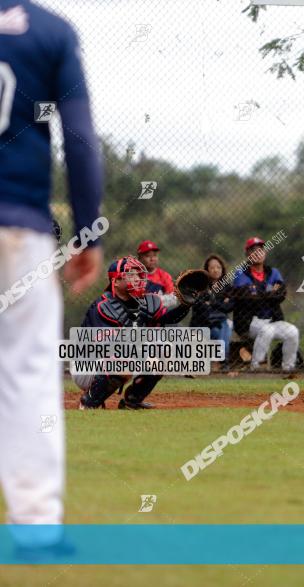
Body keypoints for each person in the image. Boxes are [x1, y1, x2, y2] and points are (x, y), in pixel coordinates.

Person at [0, 0, 103, 552]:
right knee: (29, 372)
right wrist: (88, 231)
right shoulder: (51, 30)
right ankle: (37, 530)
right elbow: (80, 140)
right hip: (19, 227)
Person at [73, 257, 191, 409]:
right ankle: (88, 402)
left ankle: (132, 400)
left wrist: (185, 305)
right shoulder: (102, 306)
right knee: (123, 361)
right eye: (130, 274)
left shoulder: (145, 302)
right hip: (87, 366)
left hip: (122, 359)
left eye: (138, 275)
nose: (137, 278)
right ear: (115, 281)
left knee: (165, 351)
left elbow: (167, 319)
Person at [231, 237, 300, 374]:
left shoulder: (273, 272)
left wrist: (257, 291)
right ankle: (256, 367)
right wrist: (269, 291)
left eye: (260, 250)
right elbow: (246, 298)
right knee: (267, 331)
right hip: (248, 321)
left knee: (292, 332)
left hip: (272, 320)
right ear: (247, 254)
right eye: (253, 250)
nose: (257, 253)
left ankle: (288, 368)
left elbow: (281, 294)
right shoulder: (240, 273)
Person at [191, 255, 233, 370]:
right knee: (223, 327)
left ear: (222, 269)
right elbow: (199, 306)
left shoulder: (227, 286)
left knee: (225, 324)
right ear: (207, 270)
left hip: (219, 322)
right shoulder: (200, 286)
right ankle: (224, 361)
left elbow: (229, 307)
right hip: (203, 323)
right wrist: (221, 303)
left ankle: (221, 359)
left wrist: (211, 303)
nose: (216, 270)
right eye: (212, 268)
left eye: (218, 267)